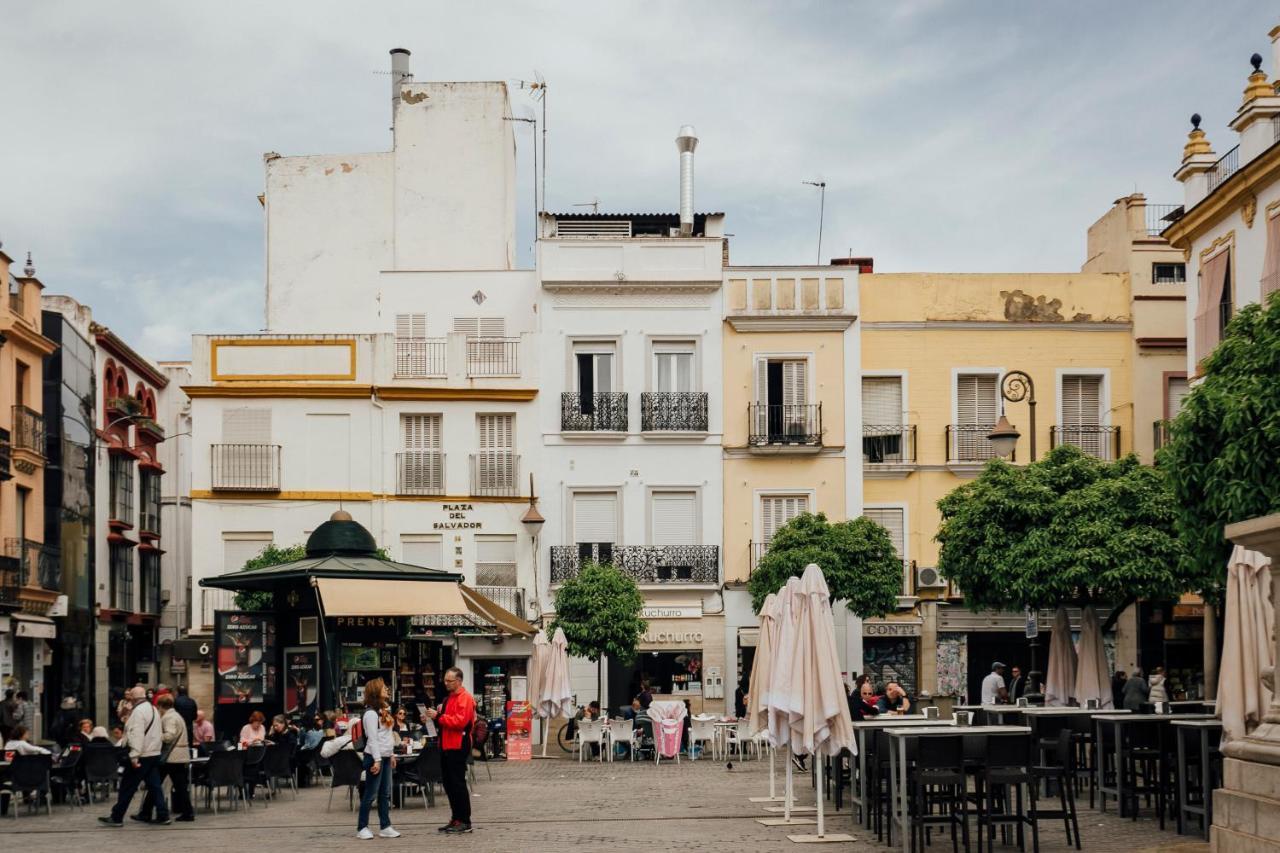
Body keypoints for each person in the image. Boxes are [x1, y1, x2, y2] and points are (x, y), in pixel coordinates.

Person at [99, 685, 168, 827]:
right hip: (153, 753)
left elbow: (137, 735)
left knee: (127, 786)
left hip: (142, 755)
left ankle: (117, 817)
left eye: (130, 697)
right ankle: (163, 815)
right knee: (155, 786)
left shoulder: (138, 712)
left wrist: (134, 756)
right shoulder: (153, 708)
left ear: (134, 698)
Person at [425, 666, 475, 835]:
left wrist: (438, 717)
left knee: (458, 783)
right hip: (447, 744)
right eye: (445, 680)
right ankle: (456, 818)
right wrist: (431, 717)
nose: (446, 683)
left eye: (450, 681)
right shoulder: (449, 699)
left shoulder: (465, 698)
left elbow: (459, 722)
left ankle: (464, 820)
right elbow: (445, 720)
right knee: (449, 783)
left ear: (459, 681)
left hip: (458, 744)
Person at [135, 694, 194, 823]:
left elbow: (169, 735)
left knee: (155, 784)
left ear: (160, 706)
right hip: (179, 756)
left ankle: (146, 812)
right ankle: (187, 812)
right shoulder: (177, 715)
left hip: (171, 757)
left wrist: (156, 736)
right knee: (178, 786)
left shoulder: (169, 717)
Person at [355, 678, 400, 840]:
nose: (387, 689)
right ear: (375, 691)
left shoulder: (383, 710)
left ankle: (385, 826)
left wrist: (392, 754)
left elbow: (387, 736)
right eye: (383, 687)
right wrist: (377, 760)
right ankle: (362, 827)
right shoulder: (370, 714)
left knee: (385, 794)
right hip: (375, 758)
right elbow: (372, 739)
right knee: (370, 793)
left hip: (385, 757)